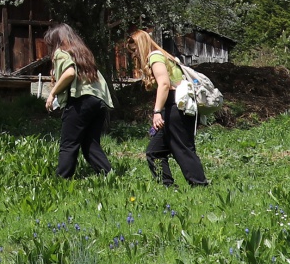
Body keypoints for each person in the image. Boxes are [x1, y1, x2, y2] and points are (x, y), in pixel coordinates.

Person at [130, 28, 208, 188]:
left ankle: (200, 185)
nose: (134, 55)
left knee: (182, 148)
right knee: (155, 151)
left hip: (175, 107)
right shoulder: (164, 56)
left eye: (134, 50)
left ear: (141, 45)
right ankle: (168, 187)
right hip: (178, 106)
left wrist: (157, 111)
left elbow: (164, 84)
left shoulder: (155, 57)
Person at [43, 23, 113, 179]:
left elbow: (69, 73)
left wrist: (52, 94)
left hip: (81, 102)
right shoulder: (83, 54)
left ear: (56, 41)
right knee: (90, 143)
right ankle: (109, 176)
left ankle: (62, 179)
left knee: (68, 144)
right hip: (98, 102)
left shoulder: (61, 52)